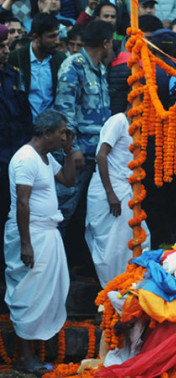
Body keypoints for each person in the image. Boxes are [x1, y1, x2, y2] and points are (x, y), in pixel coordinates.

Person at [4, 109, 79, 375]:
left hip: (46, 233)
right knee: (28, 295)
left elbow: (69, 181)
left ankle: (31, 354)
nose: (64, 136)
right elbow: (22, 202)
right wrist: (26, 244)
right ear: (46, 133)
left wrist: (69, 150)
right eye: (61, 132)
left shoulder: (45, 157)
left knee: (41, 295)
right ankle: (24, 357)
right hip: (31, 234)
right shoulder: (25, 158)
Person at [54, 19, 113, 244]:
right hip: (77, 155)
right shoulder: (74, 65)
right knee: (64, 211)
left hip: (96, 154)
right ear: (106, 43)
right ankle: (54, 270)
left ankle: (74, 268)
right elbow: (64, 111)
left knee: (84, 213)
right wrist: (73, 149)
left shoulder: (100, 69)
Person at [85, 111, 151, 288]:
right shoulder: (119, 120)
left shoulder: (137, 126)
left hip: (123, 188)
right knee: (113, 249)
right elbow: (101, 155)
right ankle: (114, 293)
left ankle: (129, 291)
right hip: (110, 190)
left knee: (138, 240)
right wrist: (110, 193)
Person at [0, 23, 32, 255]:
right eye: (0, 47)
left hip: (14, 159)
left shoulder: (13, 75)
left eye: (5, 46)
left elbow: (24, 116)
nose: (5, 51)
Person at [8, 13, 66, 120]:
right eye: (51, 36)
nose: (57, 41)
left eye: (57, 35)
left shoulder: (60, 59)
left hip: (52, 127)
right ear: (36, 37)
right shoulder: (16, 58)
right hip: (24, 126)